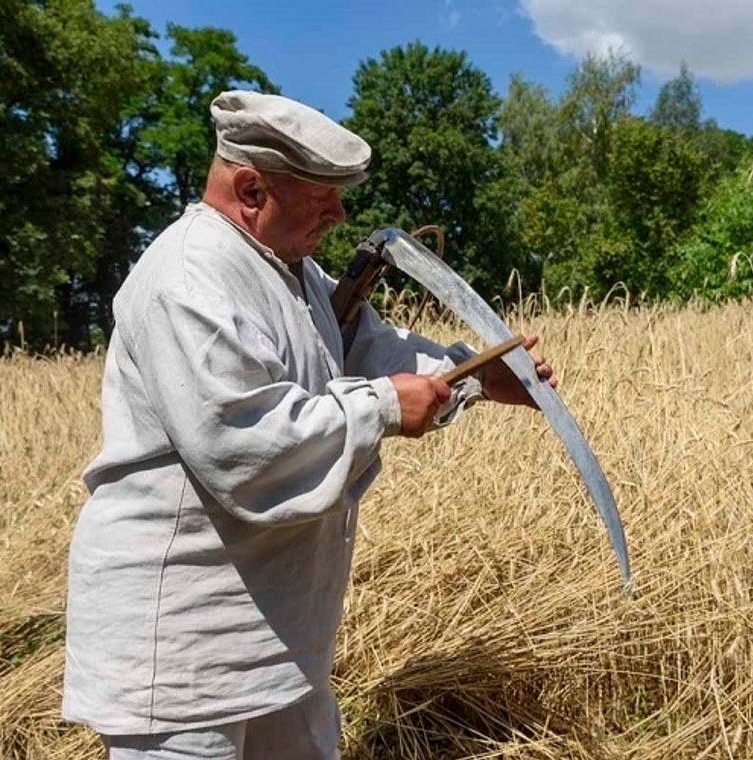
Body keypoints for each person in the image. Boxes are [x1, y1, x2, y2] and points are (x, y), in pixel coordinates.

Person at [62, 91, 555, 759]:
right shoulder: (190, 277)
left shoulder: (291, 270)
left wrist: (473, 374)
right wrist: (382, 406)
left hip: (278, 634)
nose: (340, 212)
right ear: (251, 189)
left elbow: (362, 346)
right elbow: (243, 444)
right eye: (322, 193)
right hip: (183, 648)